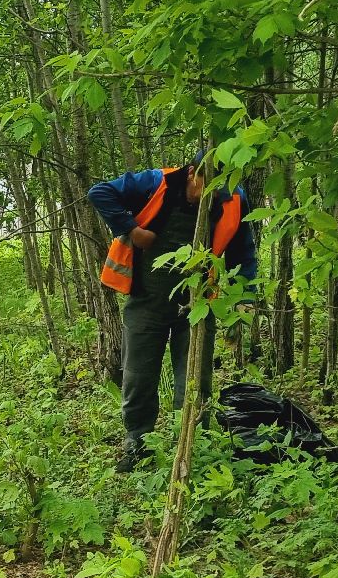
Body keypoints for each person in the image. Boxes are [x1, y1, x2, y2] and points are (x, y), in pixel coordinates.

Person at [87, 151, 258, 472]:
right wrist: (132, 230)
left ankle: (195, 444)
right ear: (193, 173)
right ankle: (138, 444)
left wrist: (245, 297)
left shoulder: (234, 198)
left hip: (198, 304)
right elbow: (100, 192)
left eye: (220, 191)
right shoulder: (157, 182)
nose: (213, 198)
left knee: (195, 379)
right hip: (146, 300)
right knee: (138, 376)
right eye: (208, 188)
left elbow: (242, 252)